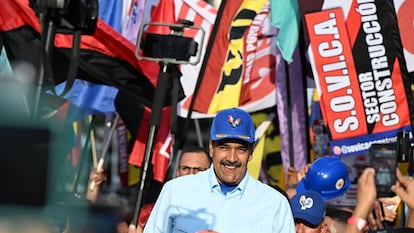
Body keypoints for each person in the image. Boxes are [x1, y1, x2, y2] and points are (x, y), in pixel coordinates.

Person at [133, 108, 294, 232]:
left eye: (241, 149)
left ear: (251, 152)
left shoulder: (275, 204)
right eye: (224, 147)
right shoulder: (175, 191)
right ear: (211, 147)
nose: (232, 158)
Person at [133, 146, 212, 233]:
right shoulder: (150, 212)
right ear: (177, 172)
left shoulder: (219, 204)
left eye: (198, 169)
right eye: (185, 168)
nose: (191, 174)